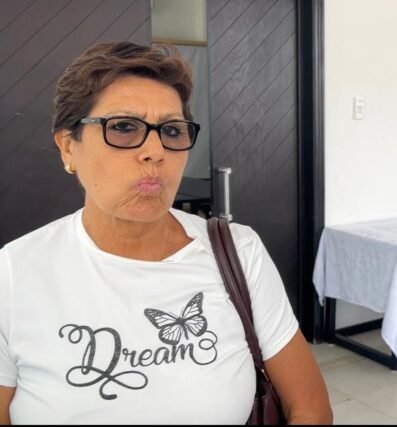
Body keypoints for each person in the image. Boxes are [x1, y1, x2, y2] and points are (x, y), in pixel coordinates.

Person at [0, 41, 332, 424]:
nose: (155, 150)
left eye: (172, 131)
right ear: (67, 148)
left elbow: (310, 408)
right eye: (123, 127)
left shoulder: (239, 252)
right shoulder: (14, 273)